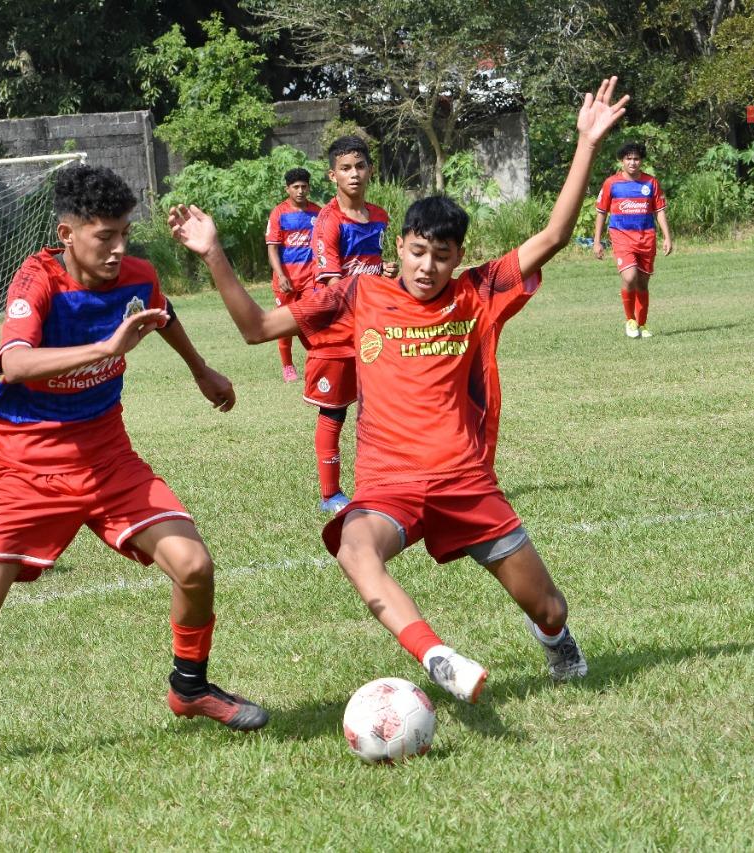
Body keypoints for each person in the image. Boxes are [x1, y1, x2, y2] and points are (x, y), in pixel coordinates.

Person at [169, 77, 629, 703]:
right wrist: (215, 253)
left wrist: (586, 144)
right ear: (400, 248)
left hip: (466, 482)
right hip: (391, 483)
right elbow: (255, 329)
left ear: (457, 256)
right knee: (355, 549)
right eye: (416, 252)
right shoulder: (360, 295)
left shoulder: (478, 293)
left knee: (548, 606)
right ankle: (434, 654)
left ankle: (555, 640)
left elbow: (551, 235)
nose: (425, 267)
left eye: (441, 256)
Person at [0, 164, 268, 767]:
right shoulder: (36, 280)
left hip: (106, 455)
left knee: (194, 566)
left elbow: (161, 313)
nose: (119, 249)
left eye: (124, 233)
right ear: (67, 233)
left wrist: (201, 371)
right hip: (25, 464)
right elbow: (13, 363)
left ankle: (190, 689)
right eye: (104, 237)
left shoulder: (137, 276)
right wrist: (104, 349)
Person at [305, 136, 398, 514]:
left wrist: (386, 271)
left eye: (360, 166)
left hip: (372, 327)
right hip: (335, 332)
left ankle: (380, 481)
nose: (354, 174)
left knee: (379, 407)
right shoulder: (327, 222)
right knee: (334, 410)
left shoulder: (379, 216)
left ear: (370, 170)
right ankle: (330, 494)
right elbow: (331, 283)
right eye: (345, 168)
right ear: (333, 175)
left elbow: (374, 267)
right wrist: (374, 282)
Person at [593, 141, 672, 338]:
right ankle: (630, 319)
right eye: (629, 159)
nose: (633, 162)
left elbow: (660, 211)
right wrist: (597, 241)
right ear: (622, 161)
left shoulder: (650, 183)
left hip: (647, 238)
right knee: (629, 278)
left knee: (643, 284)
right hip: (621, 238)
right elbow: (601, 212)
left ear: (641, 160)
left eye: (636, 159)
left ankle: (642, 324)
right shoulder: (611, 183)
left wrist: (667, 237)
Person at [264, 167, 321, 383]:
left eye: (303, 186)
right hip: (286, 279)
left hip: (311, 279)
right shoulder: (279, 213)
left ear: (308, 188)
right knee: (285, 324)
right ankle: (287, 365)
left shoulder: (318, 212)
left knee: (311, 321)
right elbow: (272, 249)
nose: (300, 191)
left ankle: (315, 361)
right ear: (287, 189)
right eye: (295, 187)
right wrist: (281, 275)